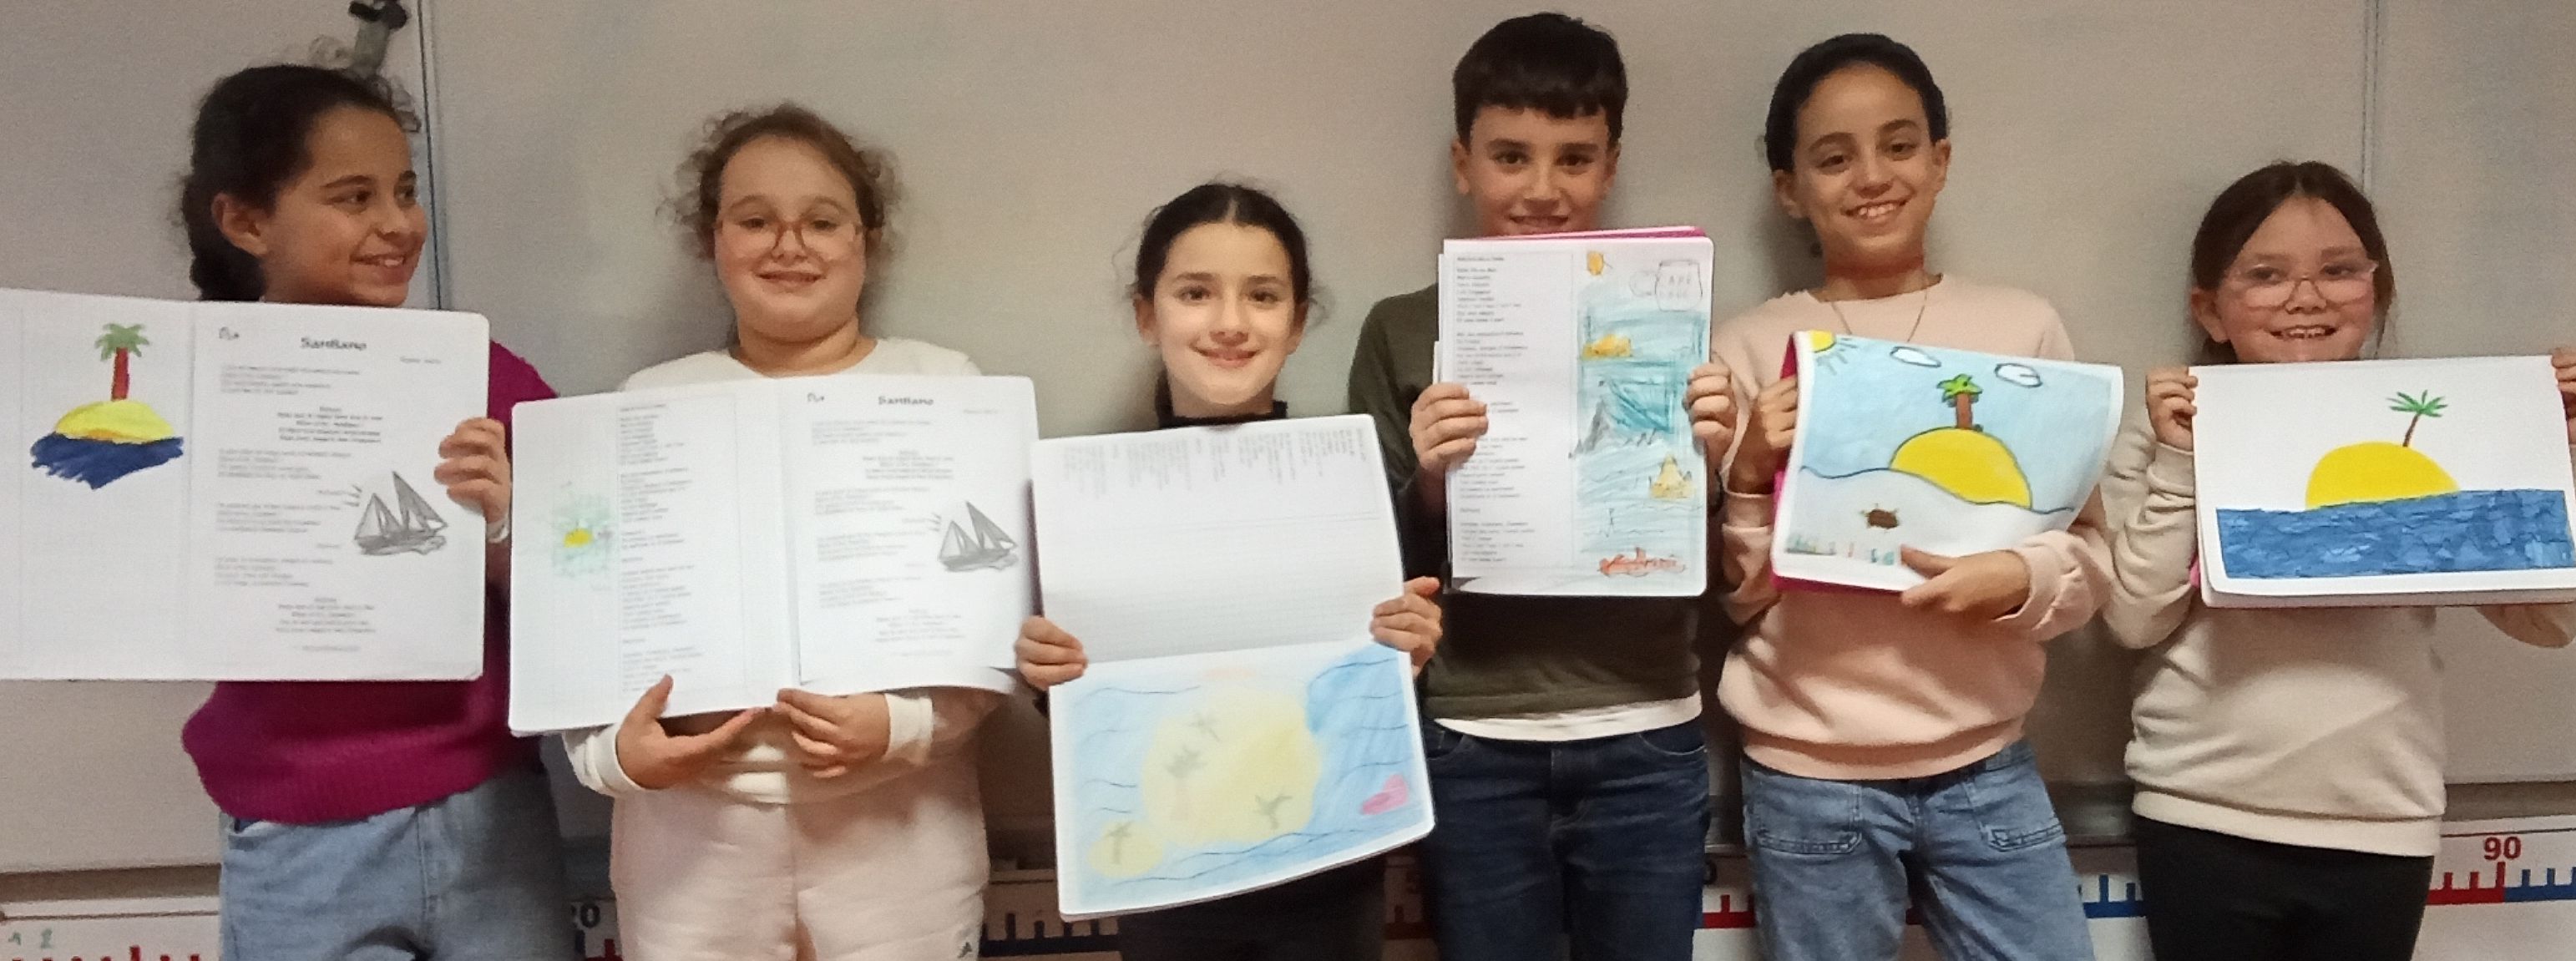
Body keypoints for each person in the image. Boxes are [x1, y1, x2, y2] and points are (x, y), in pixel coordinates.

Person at [2107, 159, 2576, 961]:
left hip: (2383, 819)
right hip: (2200, 809)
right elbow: (2134, 616)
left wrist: (2570, 458)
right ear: (2209, 308)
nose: (2305, 298)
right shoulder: (2168, 429)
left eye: (2338, 270)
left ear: (2376, 291)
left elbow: (2548, 619)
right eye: (2265, 275)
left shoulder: (2443, 432)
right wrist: (2178, 462)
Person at [559, 103, 1000, 961]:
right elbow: (583, 625)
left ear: (867, 240)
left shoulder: (945, 387)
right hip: (690, 837)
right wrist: (613, 758)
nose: (789, 245)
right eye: (755, 219)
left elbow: (994, 617)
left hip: (902, 826)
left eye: (822, 221)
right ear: (712, 238)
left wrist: (902, 724)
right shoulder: (646, 402)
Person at [1343, 13, 1736, 960]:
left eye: (1574, 158)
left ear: (1610, 165)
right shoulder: (1400, 329)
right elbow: (1372, 569)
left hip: (1646, 725)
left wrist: (1713, 463)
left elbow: (1702, 547)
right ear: (1463, 162)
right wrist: (1432, 478)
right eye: (1510, 156)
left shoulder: (1667, 315)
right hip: (1473, 734)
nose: (1542, 189)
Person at [1709, 33, 2105, 961]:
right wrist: (1750, 473)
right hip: (1807, 774)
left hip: (1987, 759)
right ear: (1788, 188)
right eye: (1833, 157)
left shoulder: (2022, 327)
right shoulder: (1747, 346)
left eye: (1898, 145)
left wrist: (2017, 577)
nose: (1871, 177)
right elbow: (1737, 598)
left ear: (1940, 159)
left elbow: (2090, 558)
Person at [174, 63, 572, 961]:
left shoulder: (478, 375)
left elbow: (597, 582)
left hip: (490, 813)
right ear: (246, 221)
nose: (398, 223)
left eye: (404, 191)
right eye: (353, 198)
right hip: (298, 832)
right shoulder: (194, 389)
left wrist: (506, 531)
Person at [1013, 180, 1443, 961]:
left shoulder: (1353, 488)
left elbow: (1384, 687)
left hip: (1326, 866)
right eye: (1195, 293)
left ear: (1298, 322)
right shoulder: (1084, 502)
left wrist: (1404, 656)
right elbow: (1086, 705)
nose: (1230, 322)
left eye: (1263, 295)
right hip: (1166, 872)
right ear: (1147, 315)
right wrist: (1047, 674)